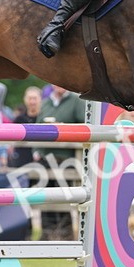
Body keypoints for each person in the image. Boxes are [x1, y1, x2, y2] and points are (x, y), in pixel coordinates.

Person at [39, 85, 88, 240]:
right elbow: (37, 123)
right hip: (46, 156)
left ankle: (65, 233)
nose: (58, 86)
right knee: (44, 194)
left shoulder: (75, 101)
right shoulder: (46, 102)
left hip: (66, 157)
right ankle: (47, 232)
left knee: (64, 195)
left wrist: (64, 128)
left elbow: (83, 124)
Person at [8, 86, 43, 169]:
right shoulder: (19, 119)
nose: (32, 102)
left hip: (42, 162)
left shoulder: (45, 119)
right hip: (22, 161)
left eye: (35, 98)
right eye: (30, 98)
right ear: (25, 100)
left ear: (40, 99)